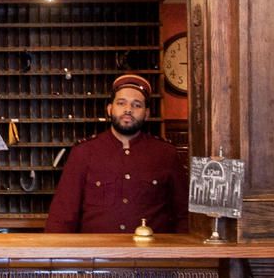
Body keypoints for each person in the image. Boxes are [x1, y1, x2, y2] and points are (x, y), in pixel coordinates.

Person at [44, 74, 189, 234]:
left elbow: (184, 214)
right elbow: (62, 215)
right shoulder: (84, 152)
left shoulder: (165, 154)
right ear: (110, 109)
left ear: (146, 114)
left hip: (151, 255)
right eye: (121, 103)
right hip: (96, 254)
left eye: (137, 105)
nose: (128, 109)